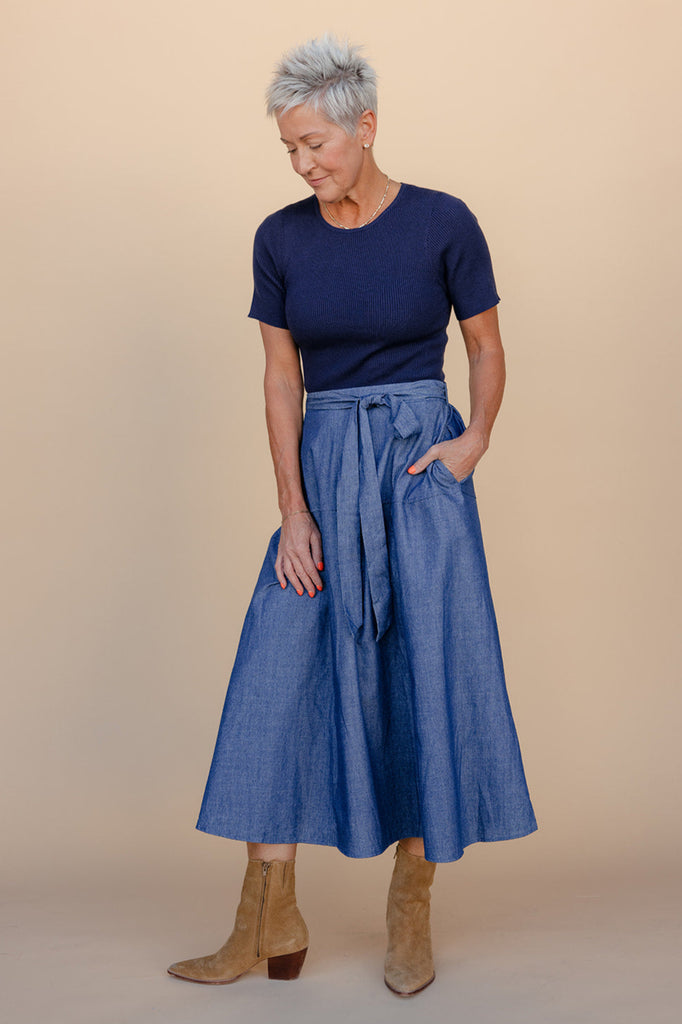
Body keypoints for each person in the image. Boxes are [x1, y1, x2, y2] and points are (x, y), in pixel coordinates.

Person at [167, 34, 538, 997]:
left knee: (419, 675)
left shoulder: (444, 223)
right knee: (276, 676)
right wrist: (292, 510)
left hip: (418, 466)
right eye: (290, 149)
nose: (303, 164)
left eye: (315, 144)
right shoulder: (280, 237)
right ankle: (268, 919)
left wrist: (474, 442)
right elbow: (280, 377)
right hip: (324, 466)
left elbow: (487, 347)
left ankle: (409, 913)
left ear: (365, 128)